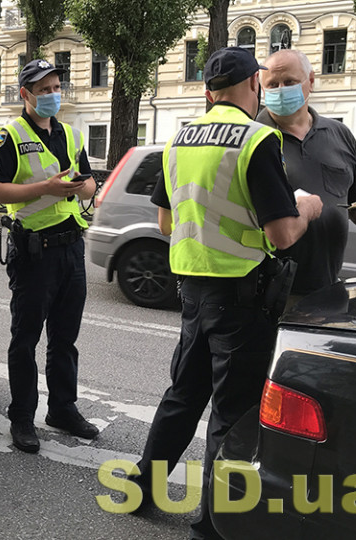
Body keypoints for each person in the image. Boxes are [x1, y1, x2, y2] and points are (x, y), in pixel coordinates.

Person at [131, 47, 323, 538]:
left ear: (207, 91)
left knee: (183, 394)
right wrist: (309, 208)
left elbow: (166, 220)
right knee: (231, 412)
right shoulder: (257, 140)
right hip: (241, 296)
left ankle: (144, 488)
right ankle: (213, 524)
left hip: (191, 292)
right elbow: (281, 234)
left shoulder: (180, 139)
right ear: (254, 85)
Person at [0, 59, 98, 454]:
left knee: (65, 339)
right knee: (26, 339)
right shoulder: (9, 135)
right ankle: (21, 418)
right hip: (34, 252)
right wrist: (46, 189)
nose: (52, 94)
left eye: (55, 87)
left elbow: (88, 180)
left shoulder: (69, 134)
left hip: (71, 249)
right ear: (25, 94)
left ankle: (63, 409)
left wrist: (83, 188)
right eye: (43, 89)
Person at [257, 49, 356, 300]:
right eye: (272, 85)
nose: (280, 90)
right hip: (268, 293)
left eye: (289, 82)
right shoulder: (254, 136)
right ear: (262, 89)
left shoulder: (339, 134)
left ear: (310, 81)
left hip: (328, 287)